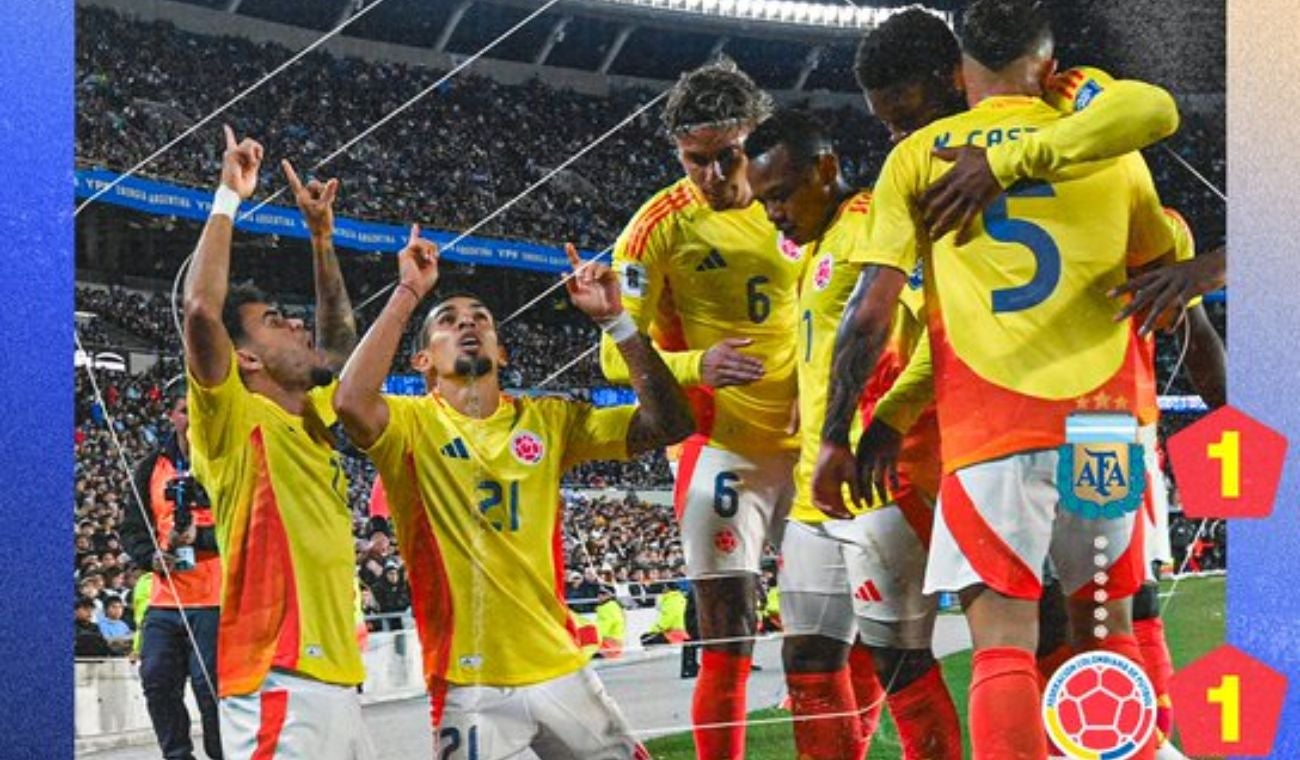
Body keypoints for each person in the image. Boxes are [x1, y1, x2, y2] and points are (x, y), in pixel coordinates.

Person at [815, 2, 1183, 757]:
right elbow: (1160, 271)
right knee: (1108, 632)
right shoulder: (1112, 143)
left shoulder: (921, 154)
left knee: (1006, 645)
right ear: (1048, 64)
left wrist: (836, 434)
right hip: (1106, 421)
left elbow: (870, 313)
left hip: (992, 425)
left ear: (958, 70)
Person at [333, 232, 694, 759]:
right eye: (448, 321)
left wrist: (618, 323)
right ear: (422, 362)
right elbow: (350, 401)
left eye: (479, 317)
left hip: (562, 666)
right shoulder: (409, 426)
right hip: (469, 680)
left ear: (502, 350)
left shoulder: (549, 420)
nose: (467, 324)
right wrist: (408, 292)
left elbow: (671, 423)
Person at [745, 107, 961, 760]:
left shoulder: (874, 224)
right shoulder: (818, 244)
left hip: (879, 485)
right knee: (808, 657)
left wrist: (890, 419)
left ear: (827, 169)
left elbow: (942, 336)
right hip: (818, 494)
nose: (773, 213)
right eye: (763, 201)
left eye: (781, 194)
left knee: (900, 663)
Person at [600, 58, 800, 760]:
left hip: (812, 442)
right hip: (721, 448)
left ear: (757, 139)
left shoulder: (803, 199)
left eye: (727, 157)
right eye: (695, 161)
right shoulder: (656, 227)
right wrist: (694, 366)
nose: (712, 177)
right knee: (728, 631)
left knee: (831, 630)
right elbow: (610, 352)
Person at [182, 126, 371, 759]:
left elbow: (339, 344)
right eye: (274, 323)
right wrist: (229, 196)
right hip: (277, 678)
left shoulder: (313, 414)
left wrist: (322, 239)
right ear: (247, 361)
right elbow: (201, 312)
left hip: (337, 679)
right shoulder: (233, 421)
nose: (295, 323)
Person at [120, 384, 224, 760]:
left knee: (209, 687)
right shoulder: (151, 466)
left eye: (198, 409)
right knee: (157, 681)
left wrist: (202, 536)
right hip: (167, 597)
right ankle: (177, 755)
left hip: (216, 596)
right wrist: (151, 558)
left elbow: (248, 525)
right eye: (184, 410)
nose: (192, 418)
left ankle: (222, 754)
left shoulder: (226, 459)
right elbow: (130, 528)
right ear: (171, 415)